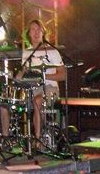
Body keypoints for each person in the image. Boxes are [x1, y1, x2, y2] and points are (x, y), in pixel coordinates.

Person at [15, 19, 66, 148]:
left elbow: (63, 75)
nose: (36, 32)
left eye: (39, 29)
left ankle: (38, 139)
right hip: (32, 88)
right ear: (28, 33)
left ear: (43, 33)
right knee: (9, 103)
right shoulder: (27, 52)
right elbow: (23, 73)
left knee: (37, 101)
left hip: (50, 87)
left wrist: (44, 76)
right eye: (33, 29)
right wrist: (17, 78)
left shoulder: (52, 50)